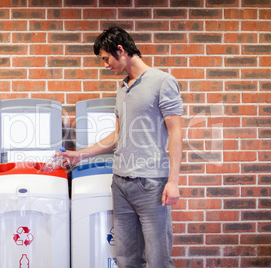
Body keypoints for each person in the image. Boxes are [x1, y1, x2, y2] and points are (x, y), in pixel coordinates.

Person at [61, 26, 183, 268]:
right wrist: (79, 155)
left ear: (121, 50)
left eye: (106, 58)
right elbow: (117, 136)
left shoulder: (163, 82)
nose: (105, 65)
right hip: (120, 184)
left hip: (151, 184)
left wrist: (173, 181)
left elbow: (176, 132)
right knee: (126, 260)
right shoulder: (122, 87)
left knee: (158, 260)